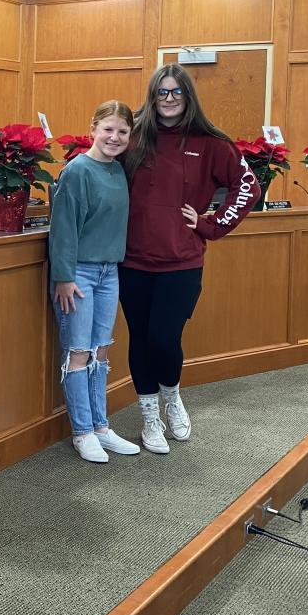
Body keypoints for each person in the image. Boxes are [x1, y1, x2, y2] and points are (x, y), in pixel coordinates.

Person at [120, 64, 257, 454]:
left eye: (176, 92)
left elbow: (247, 186)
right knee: (141, 339)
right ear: (152, 96)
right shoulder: (133, 137)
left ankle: (171, 396)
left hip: (181, 262)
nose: (168, 99)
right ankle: (149, 418)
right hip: (131, 261)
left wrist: (210, 224)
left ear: (188, 96)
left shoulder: (210, 142)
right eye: (162, 92)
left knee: (165, 338)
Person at [49, 100, 141, 463]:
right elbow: (63, 228)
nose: (114, 137)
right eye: (108, 129)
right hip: (78, 275)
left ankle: (101, 427)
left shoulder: (118, 170)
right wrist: (63, 277)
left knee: (101, 350)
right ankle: (82, 432)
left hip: (109, 273)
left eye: (122, 131)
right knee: (79, 352)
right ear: (93, 129)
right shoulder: (76, 171)